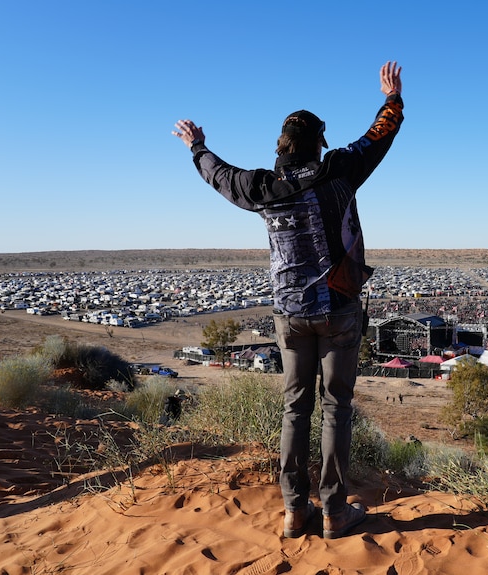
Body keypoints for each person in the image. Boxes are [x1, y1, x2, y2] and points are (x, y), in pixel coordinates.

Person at [173, 62, 404, 539]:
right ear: (318, 141)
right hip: (338, 307)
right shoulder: (339, 170)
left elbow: (218, 175)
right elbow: (377, 138)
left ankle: (294, 510)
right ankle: (335, 512)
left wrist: (196, 145)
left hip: (291, 312)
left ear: (281, 146)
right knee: (336, 407)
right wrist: (392, 99)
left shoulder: (261, 188)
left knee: (294, 409)